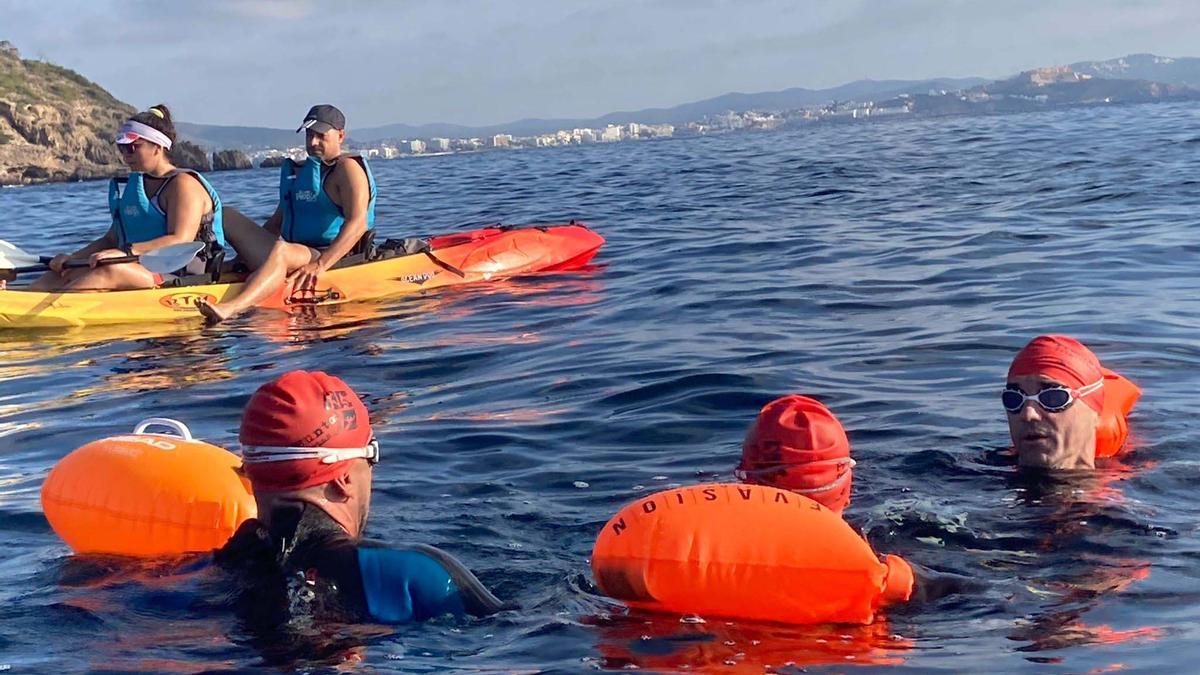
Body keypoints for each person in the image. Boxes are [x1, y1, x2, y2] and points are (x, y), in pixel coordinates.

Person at [215, 370, 505, 626]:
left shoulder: (216, 568)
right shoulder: (418, 572)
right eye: (372, 455)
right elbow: (517, 638)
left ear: (250, 473)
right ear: (344, 478)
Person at [197, 105, 376, 323]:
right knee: (226, 215)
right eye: (309, 135)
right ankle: (193, 275)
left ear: (340, 135)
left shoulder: (348, 169)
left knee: (282, 251)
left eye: (321, 136)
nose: (313, 142)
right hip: (295, 251)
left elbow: (358, 223)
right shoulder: (300, 173)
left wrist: (320, 266)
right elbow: (276, 224)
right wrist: (241, 259)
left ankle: (231, 308)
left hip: (327, 254)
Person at [31, 105, 225, 291]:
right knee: (62, 274)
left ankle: (48, 313)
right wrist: (71, 259)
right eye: (121, 148)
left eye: (132, 147)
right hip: (139, 268)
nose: (125, 155)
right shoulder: (136, 186)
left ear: (157, 147)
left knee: (110, 270)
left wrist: (126, 252)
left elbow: (181, 239)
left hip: (183, 276)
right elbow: (111, 239)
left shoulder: (183, 184)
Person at [1003, 334, 1136, 470]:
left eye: (1052, 398)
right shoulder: (986, 474)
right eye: (1014, 399)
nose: (1028, 414)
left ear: (1096, 410)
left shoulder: (1135, 483)